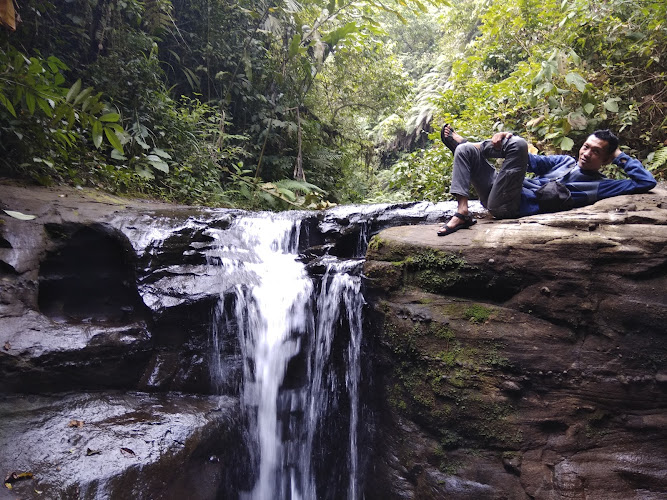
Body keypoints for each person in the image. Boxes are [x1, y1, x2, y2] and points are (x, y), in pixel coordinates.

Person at [437, 125, 657, 236]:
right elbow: (526, 160)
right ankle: (462, 211)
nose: (587, 154)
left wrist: (619, 154)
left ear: (607, 159)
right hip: (496, 190)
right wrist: (502, 139)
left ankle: (470, 146)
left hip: (511, 205)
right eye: (586, 146)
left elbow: (646, 182)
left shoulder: (601, 185)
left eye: (596, 152)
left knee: (518, 143)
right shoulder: (564, 161)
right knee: (467, 150)